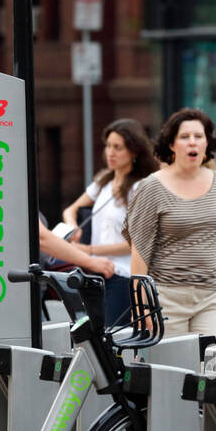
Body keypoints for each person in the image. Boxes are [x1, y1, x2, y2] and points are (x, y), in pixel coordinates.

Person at [122, 108, 216, 339]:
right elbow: (139, 249)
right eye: (184, 137)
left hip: (211, 294)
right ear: (172, 145)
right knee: (173, 372)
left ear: (207, 144)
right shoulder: (152, 187)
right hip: (165, 298)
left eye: (198, 136)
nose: (192, 143)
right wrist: (141, 307)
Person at [59, 119, 158, 323]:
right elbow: (71, 209)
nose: (110, 153)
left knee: (113, 343)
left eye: (117, 147)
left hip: (121, 276)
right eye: (108, 146)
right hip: (95, 275)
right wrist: (73, 226)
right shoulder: (104, 180)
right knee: (93, 339)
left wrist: (89, 250)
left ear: (134, 151)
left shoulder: (139, 188)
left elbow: (136, 244)